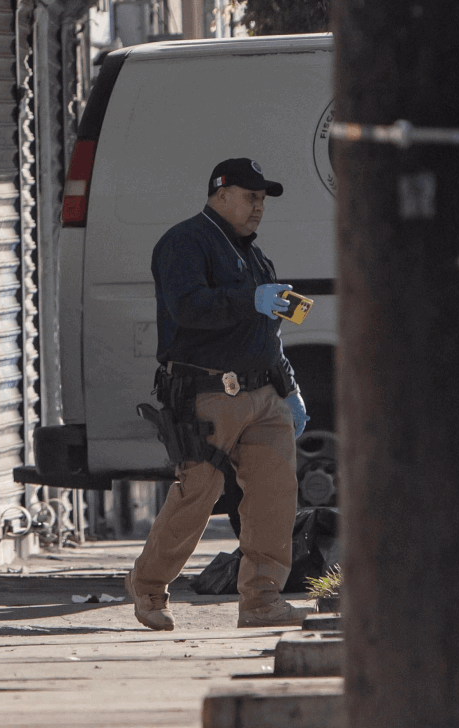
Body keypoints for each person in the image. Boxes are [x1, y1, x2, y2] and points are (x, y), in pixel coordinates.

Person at [125, 158, 312, 630]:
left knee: (274, 499)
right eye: (251, 197)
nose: (258, 208)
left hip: (264, 392)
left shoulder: (251, 252)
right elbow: (186, 308)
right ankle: (148, 589)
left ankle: (262, 601)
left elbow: (271, 330)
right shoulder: (185, 242)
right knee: (198, 494)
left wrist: (289, 389)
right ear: (221, 193)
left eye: (263, 200)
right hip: (207, 391)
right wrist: (247, 299)